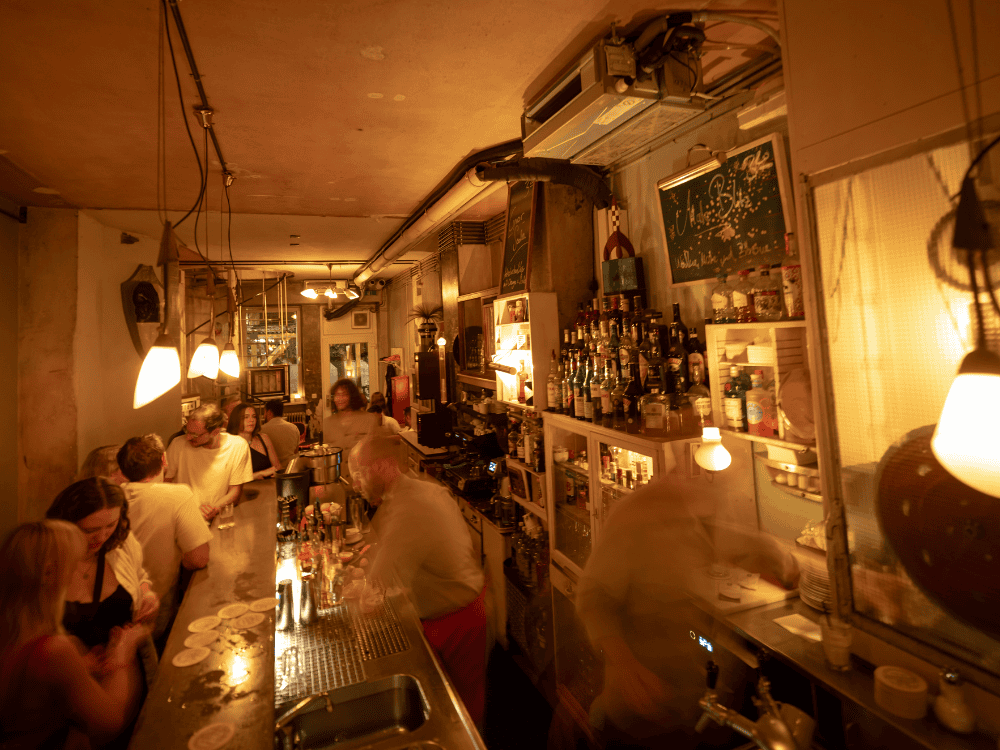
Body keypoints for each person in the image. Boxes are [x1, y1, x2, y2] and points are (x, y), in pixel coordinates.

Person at [571, 446, 799, 749]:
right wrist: (625, 665)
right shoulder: (635, 514)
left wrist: (780, 558)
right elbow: (592, 600)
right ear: (683, 467)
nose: (716, 488)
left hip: (693, 701)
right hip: (641, 705)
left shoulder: (696, 512)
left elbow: (730, 541)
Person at [349, 434, 487, 725]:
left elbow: (381, 579)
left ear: (382, 466)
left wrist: (351, 618)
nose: (355, 484)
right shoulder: (413, 490)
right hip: (456, 606)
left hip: (458, 619)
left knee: (460, 717)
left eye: (359, 473)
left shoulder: (409, 506)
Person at [0, 520, 146, 749]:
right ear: (48, 573)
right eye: (73, 564)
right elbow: (112, 721)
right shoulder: (54, 650)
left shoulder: (16, 632)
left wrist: (80, 668)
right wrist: (124, 653)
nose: (76, 572)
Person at [116, 435, 212, 646]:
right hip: (155, 607)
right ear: (164, 461)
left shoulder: (114, 497)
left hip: (116, 610)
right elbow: (198, 558)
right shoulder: (178, 495)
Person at [165, 403, 253, 520]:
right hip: (184, 517)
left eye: (195, 434)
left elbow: (235, 492)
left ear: (215, 432)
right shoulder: (178, 444)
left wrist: (214, 508)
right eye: (187, 431)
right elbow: (165, 484)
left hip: (217, 517)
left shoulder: (237, 446)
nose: (188, 437)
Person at [323, 379, 378, 475]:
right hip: (339, 478)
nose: (339, 399)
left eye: (344, 395)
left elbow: (377, 451)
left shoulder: (369, 419)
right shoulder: (327, 423)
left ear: (352, 396)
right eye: (337, 395)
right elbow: (325, 456)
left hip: (364, 477)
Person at [227, 403, 281, 481]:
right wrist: (258, 474)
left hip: (269, 486)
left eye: (254, 416)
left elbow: (277, 466)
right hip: (244, 488)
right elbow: (229, 479)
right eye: (246, 417)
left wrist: (276, 472)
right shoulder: (229, 443)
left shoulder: (264, 438)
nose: (251, 420)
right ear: (236, 420)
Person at [260, 399, 301, 470]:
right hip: (291, 469)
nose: (264, 416)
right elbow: (295, 452)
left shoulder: (261, 430)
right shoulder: (294, 428)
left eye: (264, 412)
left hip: (271, 472)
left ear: (269, 412)